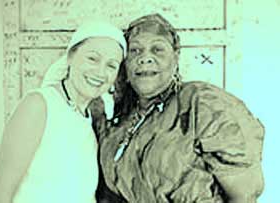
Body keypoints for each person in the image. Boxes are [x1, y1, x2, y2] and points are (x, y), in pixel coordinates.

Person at [96, 14, 265, 203]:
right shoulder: (120, 119)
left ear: (175, 58)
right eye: (135, 50)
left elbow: (246, 195)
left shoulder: (202, 103)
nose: (145, 58)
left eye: (157, 49)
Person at [0, 20, 127, 203]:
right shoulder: (39, 105)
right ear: (70, 57)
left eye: (111, 65)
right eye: (92, 58)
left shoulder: (90, 120)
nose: (100, 72)